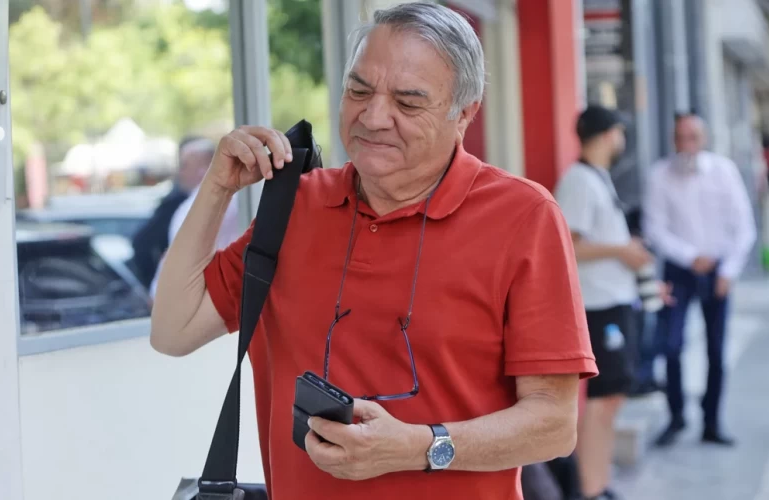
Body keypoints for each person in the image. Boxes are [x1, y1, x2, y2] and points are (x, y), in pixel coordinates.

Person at [150, 4, 598, 499]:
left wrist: (419, 447)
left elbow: (554, 425)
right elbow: (173, 330)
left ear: (464, 113)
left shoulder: (523, 216)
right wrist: (216, 188)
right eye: (358, 90)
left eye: (408, 102)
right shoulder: (296, 206)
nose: (374, 116)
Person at [553, 105, 655, 500]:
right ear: (610, 134)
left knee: (612, 398)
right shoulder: (578, 181)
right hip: (598, 306)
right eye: (620, 132)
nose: (622, 140)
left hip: (615, 300)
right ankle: (589, 489)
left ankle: (600, 483)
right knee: (602, 400)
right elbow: (570, 246)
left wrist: (627, 254)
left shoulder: (597, 178)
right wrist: (621, 251)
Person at [643, 112, 757, 447]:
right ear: (673, 140)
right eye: (680, 137)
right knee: (672, 345)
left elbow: (744, 226)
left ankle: (712, 421)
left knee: (716, 350)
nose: (686, 144)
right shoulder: (659, 175)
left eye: (692, 136)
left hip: (719, 271)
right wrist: (690, 256)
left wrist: (729, 271)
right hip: (680, 271)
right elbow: (655, 228)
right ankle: (676, 415)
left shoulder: (724, 171)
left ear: (703, 138)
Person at [131, 136, 216, 287]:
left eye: (184, 166)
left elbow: (142, 242)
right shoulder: (184, 205)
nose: (180, 173)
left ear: (204, 169)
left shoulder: (188, 207)